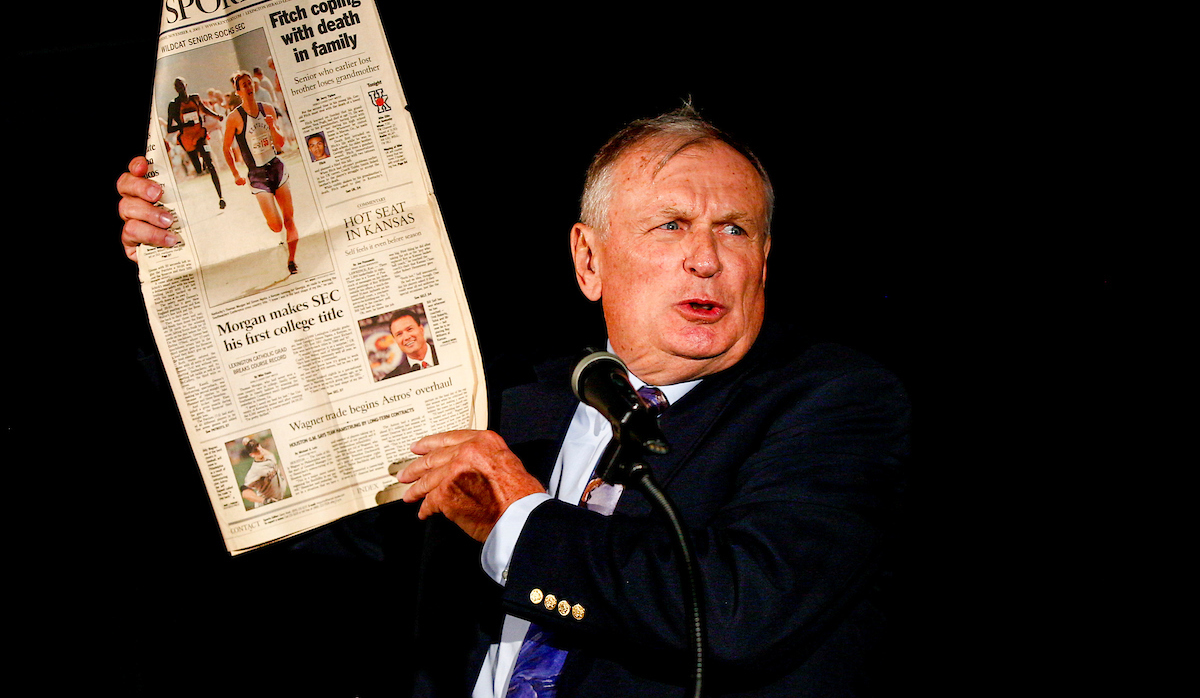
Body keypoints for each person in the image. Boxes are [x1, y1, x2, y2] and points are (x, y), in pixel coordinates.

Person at [117, 106, 909, 696]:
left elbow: (738, 612)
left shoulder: (837, 403)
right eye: (670, 226)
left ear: (764, 260)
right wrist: (187, 285)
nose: (705, 258)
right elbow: (310, 504)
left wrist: (517, 517)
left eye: (734, 230)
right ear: (588, 261)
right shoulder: (506, 400)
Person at [222, 71, 300, 276]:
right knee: (276, 226)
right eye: (244, 85)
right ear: (238, 91)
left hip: (276, 167)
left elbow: (280, 143)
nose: (249, 87)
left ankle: (292, 261)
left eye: (250, 83)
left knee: (289, 219)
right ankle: (277, 232)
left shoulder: (267, 109)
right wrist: (235, 174)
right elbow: (226, 148)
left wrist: (272, 126)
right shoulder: (234, 118)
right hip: (257, 176)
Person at [165, 77, 227, 210]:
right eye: (177, 86)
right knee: (198, 170)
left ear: (186, 85)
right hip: (186, 140)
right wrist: (185, 124)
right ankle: (201, 165)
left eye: (182, 85)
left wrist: (217, 116)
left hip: (200, 135)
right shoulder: (174, 105)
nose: (180, 88)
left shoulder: (195, 98)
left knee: (210, 164)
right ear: (175, 89)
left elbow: (204, 110)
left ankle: (221, 197)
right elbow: (170, 128)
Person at [382, 309, 438, 378]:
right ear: (395, 340)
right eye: (399, 334)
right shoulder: (391, 378)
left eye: (409, 329)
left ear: (421, 330)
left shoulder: (447, 352)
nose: (406, 337)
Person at [240, 436, 286, 506]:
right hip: (266, 505)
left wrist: (248, 442)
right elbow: (245, 493)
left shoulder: (269, 456)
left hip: (278, 500)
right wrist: (264, 500)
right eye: (255, 450)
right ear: (252, 455)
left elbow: (262, 451)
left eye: (258, 445)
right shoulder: (255, 470)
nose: (259, 449)